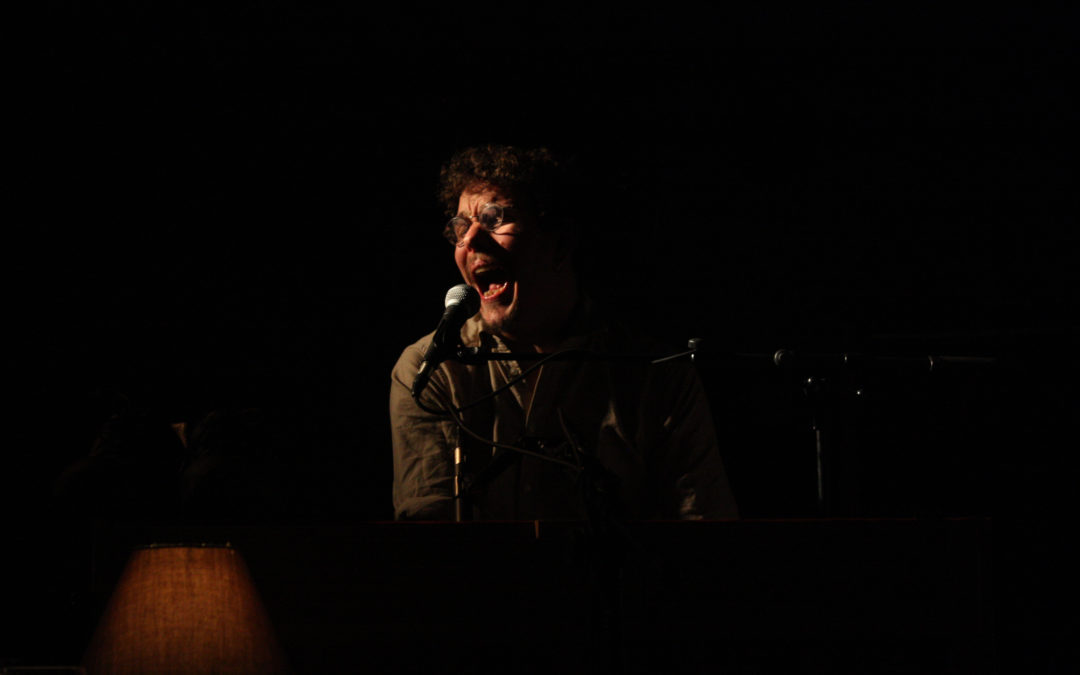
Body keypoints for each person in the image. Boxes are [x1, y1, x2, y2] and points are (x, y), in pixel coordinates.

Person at [390, 144, 738, 521]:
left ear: (559, 242)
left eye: (494, 219)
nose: (469, 241)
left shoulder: (657, 373)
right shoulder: (432, 371)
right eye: (460, 227)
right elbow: (425, 544)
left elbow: (704, 535)